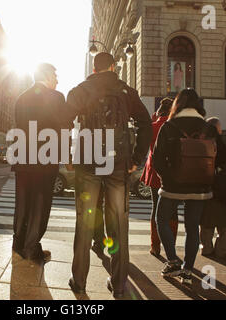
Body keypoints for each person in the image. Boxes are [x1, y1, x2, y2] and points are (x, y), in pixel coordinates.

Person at [66, 52, 152, 298]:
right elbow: (145, 124)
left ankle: (79, 281)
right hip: (118, 163)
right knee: (119, 223)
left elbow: (62, 120)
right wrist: (136, 159)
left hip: (88, 162)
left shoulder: (81, 89)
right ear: (113, 67)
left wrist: (68, 155)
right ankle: (118, 284)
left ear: (94, 69)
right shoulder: (126, 92)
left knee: (84, 221)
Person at [152, 88, 226, 285]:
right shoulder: (208, 128)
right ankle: (187, 269)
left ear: (178, 104)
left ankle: (172, 261)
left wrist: (168, 178)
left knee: (161, 218)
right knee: (192, 227)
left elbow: (157, 159)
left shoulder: (169, 126)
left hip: (172, 186)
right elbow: (224, 157)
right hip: (201, 186)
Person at [11, 63, 66, 262]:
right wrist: (65, 155)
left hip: (23, 157)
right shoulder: (57, 98)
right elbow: (63, 128)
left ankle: (18, 243)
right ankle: (32, 248)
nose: (57, 80)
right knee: (40, 203)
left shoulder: (21, 97)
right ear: (47, 75)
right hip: (45, 157)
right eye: (55, 75)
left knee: (23, 202)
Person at [141, 98, 179, 256]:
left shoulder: (154, 126)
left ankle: (155, 246)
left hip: (154, 173)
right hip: (173, 174)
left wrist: (153, 117)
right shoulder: (176, 128)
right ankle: (171, 245)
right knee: (173, 210)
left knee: (155, 207)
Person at [200, 117, 226, 258]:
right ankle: (222, 251)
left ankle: (206, 248)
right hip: (225, 187)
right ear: (218, 128)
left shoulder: (201, 142)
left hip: (206, 186)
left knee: (206, 221)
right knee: (225, 223)